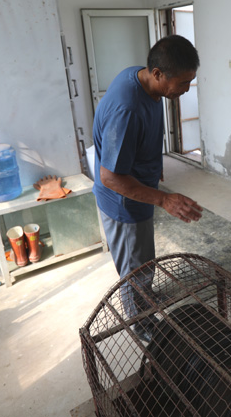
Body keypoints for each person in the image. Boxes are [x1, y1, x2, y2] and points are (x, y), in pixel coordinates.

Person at [92, 35, 203, 339]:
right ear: (157, 73)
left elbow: (138, 139)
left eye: (190, 81)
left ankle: (144, 297)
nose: (186, 89)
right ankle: (142, 325)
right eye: (182, 83)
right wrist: (164, 199)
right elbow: (110, 177)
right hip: (123, 202)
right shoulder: (127, 109)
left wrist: (153, 165)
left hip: (139, 187)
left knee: (142, 259)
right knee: (135, 268)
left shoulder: (140, 77)